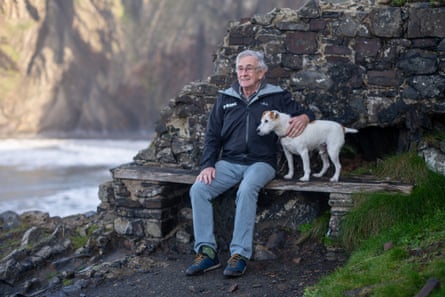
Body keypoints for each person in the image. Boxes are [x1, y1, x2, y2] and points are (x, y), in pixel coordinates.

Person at [185, 50, 315, 277]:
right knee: (198, 189)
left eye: (249, 68)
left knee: (246, 189)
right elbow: (212, 136)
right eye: (240, 68)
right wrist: (208, 164)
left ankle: (239, 254)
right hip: (229, 162)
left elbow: (304, 113)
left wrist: (304, 118)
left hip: (261, 163)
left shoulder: (276, 97)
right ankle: (207, 252)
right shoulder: (225, 98)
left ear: (261, 72)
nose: (244, 73)